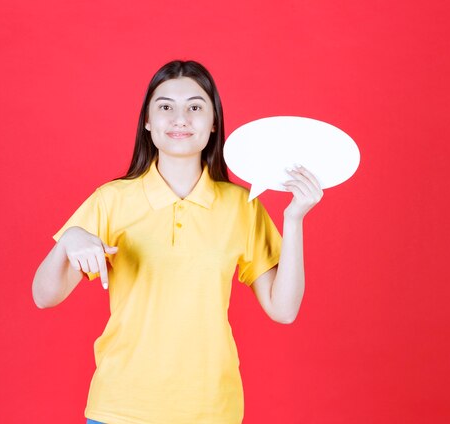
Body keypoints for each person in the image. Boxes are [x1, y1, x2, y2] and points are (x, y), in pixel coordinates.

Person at [32, 60, 323, 424]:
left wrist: (293, 219)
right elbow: (44, 296)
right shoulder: (111, 200)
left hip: (212, 410)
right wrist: (69, 240)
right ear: (148, 122)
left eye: (195, 107)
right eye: (165, 106)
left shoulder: (240, 206)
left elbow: (284, 310)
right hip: (120, 407)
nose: (180, 118)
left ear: (213, 122)